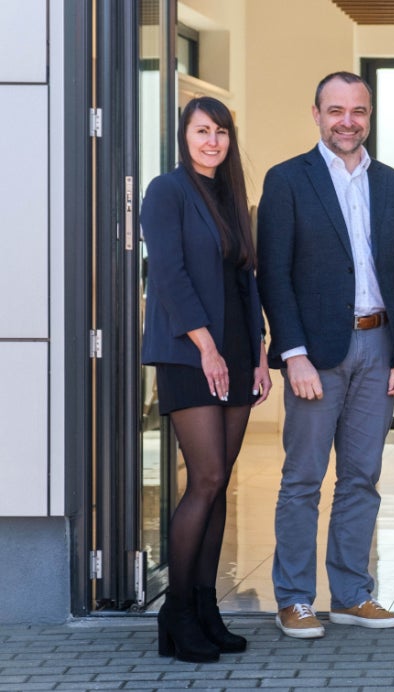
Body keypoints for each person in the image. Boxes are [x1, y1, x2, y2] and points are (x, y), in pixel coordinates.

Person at [256, 71, 394, 639]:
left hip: (379, 345)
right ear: (317, 114)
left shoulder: (393, 183)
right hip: (316, 352)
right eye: (336, 111)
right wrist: (293, 354)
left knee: (361, 477)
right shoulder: (287, 180)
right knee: (303, 479)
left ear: (369, 115)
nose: (347, 122)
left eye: (358, 111)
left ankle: (352, 595)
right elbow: (273, 274)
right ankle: (294, 599)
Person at [141, 96, 272, 662]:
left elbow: (247, 279)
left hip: (237, 351)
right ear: (184, 136)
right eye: (202, 131)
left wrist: (259, 351)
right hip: (189, 351)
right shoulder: (165, 191)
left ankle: (204, 606)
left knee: (220, 484)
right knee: (206, 477)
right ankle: (175, 612)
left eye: (220, 132)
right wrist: (207, 348)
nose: (212, 141)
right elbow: (168, 275)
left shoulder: (232, 196)